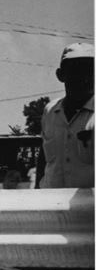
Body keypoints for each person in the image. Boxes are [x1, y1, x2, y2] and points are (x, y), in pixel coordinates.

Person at [39, 43, 94, 188]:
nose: (84, 78)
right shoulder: (50, 111)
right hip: (50, 203)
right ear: (60, 75)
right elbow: (44, 159)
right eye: (76, 71)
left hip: (88, 208)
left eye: (90, 70)